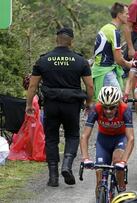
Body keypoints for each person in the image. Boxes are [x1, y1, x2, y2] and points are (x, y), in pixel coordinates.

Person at [26, 27, 94, 187]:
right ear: (71, 41)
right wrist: (89, 103)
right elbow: (90, 86)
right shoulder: (80, 61)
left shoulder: (43, 60)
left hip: (51, 105)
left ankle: (53, 177)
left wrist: (29, 104)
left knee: (51, 139)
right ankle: (67, 166)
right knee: (72, 136)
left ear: (56, 40)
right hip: (71, 105)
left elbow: (32, 86)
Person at [80, 86, 134, 193]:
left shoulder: (125, 109)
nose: (108, 111)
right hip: (103, 141)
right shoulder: (96, 109)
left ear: (118, 105)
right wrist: (85, 158)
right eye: (105, 107)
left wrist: (124, 162)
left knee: (117, 161)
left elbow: (131, 138)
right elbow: (84, 136)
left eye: (112, 107)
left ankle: (121, 189)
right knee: (99, 177)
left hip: (120, 139)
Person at [92, 3, 133, 100]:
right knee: (117, 102)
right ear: (119, 15)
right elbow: (118, 60)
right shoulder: (114, 32)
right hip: (105, 72)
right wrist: (129, 64)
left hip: (101, 69)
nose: (128, 16)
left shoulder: (106, 27)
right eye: (126, 14)